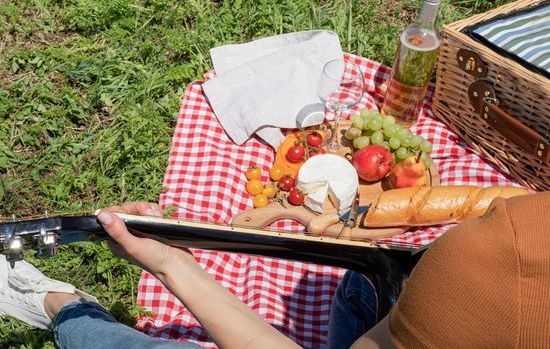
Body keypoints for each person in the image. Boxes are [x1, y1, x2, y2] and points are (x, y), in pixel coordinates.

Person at [1, 193, 549, 348]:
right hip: (432, 300)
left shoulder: (499, 272)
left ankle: (60, 306)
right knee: (368, 281)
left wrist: (173, 268)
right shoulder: (506, 244)